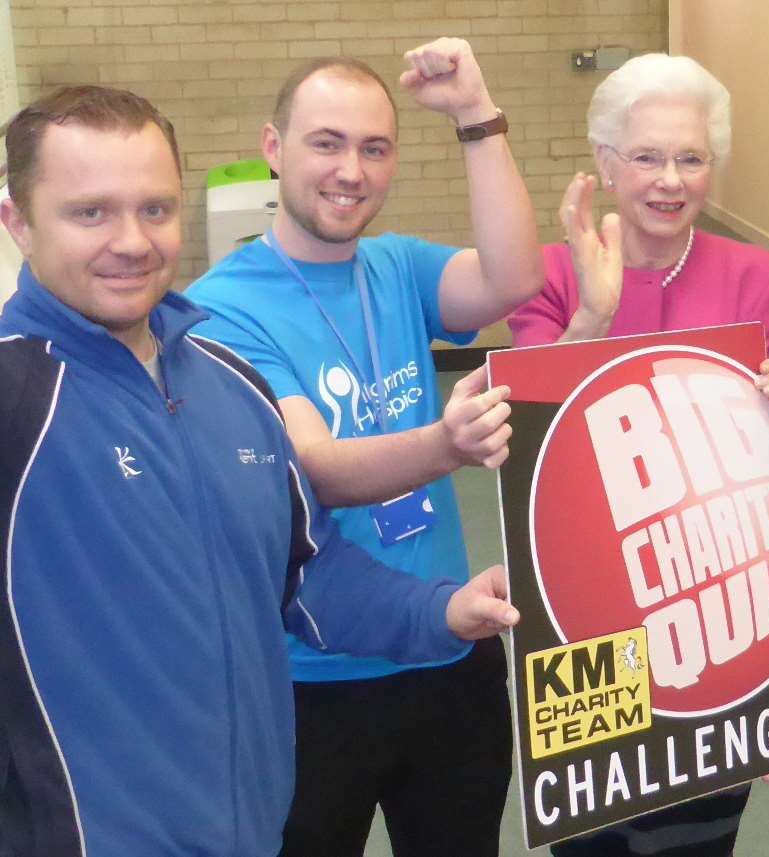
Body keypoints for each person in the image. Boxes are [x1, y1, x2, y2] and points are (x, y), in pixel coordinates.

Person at [0, 84, 517, 857]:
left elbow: (304, 574)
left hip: (254, 830)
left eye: (155, 208)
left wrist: (442, 611)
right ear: (17, 220)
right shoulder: (14, 404)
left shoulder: (226, 379)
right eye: (90, 212)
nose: (132, 241)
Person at [185, 42, 542, 857]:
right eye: (327, 142)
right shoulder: (217, 310)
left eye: (374, 148)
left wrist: (475, 115)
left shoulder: (396, 265)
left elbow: (513, 278)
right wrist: (445, 443)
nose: (351, 170)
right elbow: (315, 467)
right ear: (274, 149)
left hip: (452, 642)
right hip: (312, 676)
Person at [508, 52, 769, 857]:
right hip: (585, 615)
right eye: (645, 156)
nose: (668, 179)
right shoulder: (546, 275)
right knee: (597, 838)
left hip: (711, 605)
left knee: (699, 839)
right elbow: (530, 437)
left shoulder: (760, 279)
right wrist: (593, 316)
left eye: (690, 158)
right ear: (605, 165)